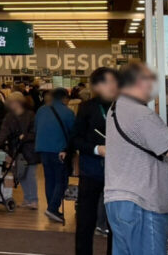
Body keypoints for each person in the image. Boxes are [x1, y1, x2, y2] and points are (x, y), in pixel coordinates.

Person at [105, 63, 168, 255]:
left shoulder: (117, 108)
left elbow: (144, 139)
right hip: (143, 202)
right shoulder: (140, 113)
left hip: (121, 200)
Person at [73, 67, 119, 255]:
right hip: (91, 170)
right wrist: (97, 149)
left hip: (118, 173)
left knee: (116, 221)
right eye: (109, 82)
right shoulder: (87, 108)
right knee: (86, 220)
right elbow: (75, 139)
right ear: (98, 85)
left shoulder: (125, 106)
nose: (114, 85)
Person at [35, 87, 75, 223]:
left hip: (43, 149)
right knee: (61, 180)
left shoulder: (41, 110)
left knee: (50, 179)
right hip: (59, 150)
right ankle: (52, 208)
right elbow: (73, 133)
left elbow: (36, 128)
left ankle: (51, 208)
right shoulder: (68, 112)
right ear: (64, 98)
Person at [0, 91, 39, 209]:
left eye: (11, 102)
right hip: (17, 150)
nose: (10, 105)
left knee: (30, 175)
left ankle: (33, 200)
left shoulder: (30, 115)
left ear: (18, 102)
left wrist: (24, 137)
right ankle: (28, 199)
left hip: (29, 150)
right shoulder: (10, 116)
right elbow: (4, 132)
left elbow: (35, 132)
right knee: (21, 175)